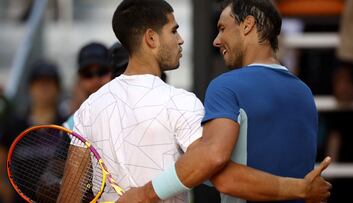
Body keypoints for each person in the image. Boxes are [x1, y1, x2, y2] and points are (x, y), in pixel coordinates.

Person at [60, 0, 330, 203]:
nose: (181, 39)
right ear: (151, 38)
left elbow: (69, 196)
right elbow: (218, 172)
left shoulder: (88, 109)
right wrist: (299, 188)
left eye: (222, 28)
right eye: (174, 30)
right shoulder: (182, 102)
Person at [0, 59, 67, 203]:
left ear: (58, 88)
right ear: (30, 87)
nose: (44, 88)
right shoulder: (14, 125)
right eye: (39, 83)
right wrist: (4, 187)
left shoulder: (67, 125)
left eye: (49, 83)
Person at [66, 42, 112, 115]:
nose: (95, 80)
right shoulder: (73, 123)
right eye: (88, 75)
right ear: (79, 81)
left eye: (102, 72)